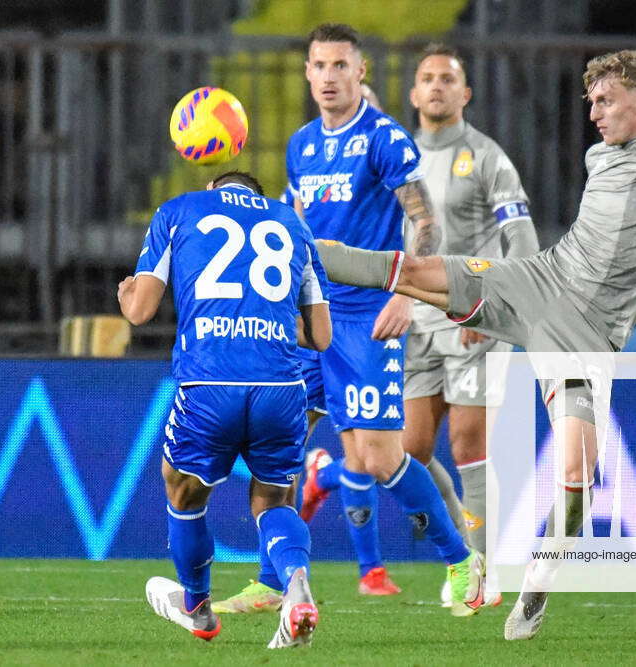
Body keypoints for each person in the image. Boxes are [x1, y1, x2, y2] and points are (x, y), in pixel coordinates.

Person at [311, 50, 636, 639]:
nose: (594, 114)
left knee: (577, 476)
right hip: (536, 282)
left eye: (604, 101)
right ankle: (292, 243)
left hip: (587, 334)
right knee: (412, 271)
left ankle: (538, 580)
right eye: (590, 102)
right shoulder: (598, 155)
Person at [220, 22, 485, 617]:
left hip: (368, 315)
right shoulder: (302, 144)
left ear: (360, 72)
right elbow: (293, 222)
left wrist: (407, 293)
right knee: (277, 444)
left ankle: (461, 559)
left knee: (382, 458)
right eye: (319, 66)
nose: (329, 76)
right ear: (308, 74)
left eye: (341, 65)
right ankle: (271, 579)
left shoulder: (382, 138)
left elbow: (425, 222)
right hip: (310, 314)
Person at [304, 44, 540, 609]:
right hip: (398, 315)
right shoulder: (392, 152)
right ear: (413, 94)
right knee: (398, 450)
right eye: (427, 78)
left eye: (448, 79)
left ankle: (478, 568)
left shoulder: (486, 157)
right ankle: (333, 477)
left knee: (468, 442)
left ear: (466, 94)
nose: (436, 87)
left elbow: (522, 237)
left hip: (468, 317)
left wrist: (500, 304)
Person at [117, 170, 331, 648]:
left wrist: (127, 291)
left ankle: (196, 606)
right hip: (280, 386)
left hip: (211, 381)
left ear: (216, 188)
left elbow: (139, 312)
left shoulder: (178, 211)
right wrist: (267, 317)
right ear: (256, 192)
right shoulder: (293, 225)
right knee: (273, 500)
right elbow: (320, 337)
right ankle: (295, 588)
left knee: (183, 491)